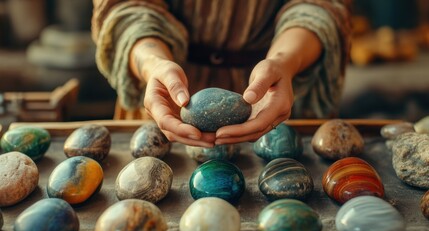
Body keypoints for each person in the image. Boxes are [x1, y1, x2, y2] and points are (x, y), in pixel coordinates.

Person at [92, 0, 351, 148]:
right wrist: (154, 64)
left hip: (275, 89)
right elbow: (125, 7)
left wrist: (282, 63)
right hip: (166, 94)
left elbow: (322, 6)